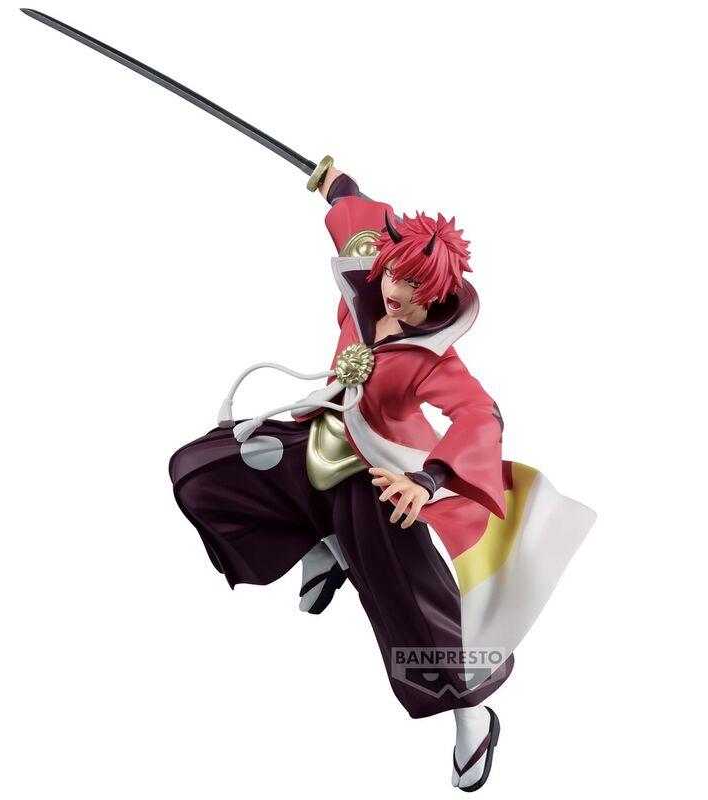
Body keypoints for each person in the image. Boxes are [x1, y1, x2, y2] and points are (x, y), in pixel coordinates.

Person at [169, 167, 595, 792]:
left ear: (440, 296)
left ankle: (471, 714)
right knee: (203, 473)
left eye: (416, 286)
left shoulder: (433, 359)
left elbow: (480, 415)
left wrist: (429, 478)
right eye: (395, 274)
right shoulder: (369, 288)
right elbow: (360, 215)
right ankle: (321, 544)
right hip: (313, 441)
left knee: (411, 607)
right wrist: (335, 182)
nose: (397, 290)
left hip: (376, 482)